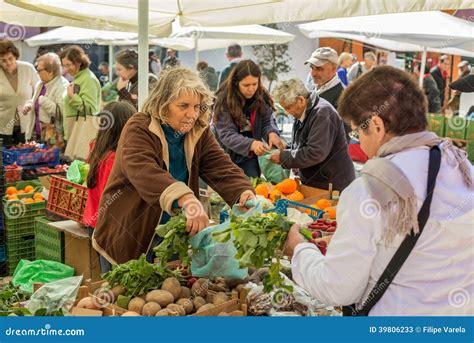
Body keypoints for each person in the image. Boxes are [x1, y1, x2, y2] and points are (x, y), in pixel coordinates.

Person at [285, 66, 473, 316]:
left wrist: (299, 250)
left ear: (376, 125)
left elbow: (336, 288)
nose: (359, 143)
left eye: (356, 132)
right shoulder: (462, 167)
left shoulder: (367, 191)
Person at [92, 67, 255, 266]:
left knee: (168, 290)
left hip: (170, 234)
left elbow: (220, 166)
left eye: (197, 107)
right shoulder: (139, 127)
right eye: (183, 106)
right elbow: (143, 170)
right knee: (126, 292)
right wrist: (186, 198)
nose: (192, 114)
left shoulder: (198, 132)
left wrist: (242, 191)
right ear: (164, 103)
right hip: (129, 231)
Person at [270, 79, 355, 191]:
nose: (286, 112)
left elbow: (315, 152)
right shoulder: (302, 110)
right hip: (317, 181)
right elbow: (304, 142)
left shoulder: (322, 113)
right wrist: (286, 147)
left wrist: (283, 157)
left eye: (288, 108)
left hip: (331, 184)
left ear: (301, 100)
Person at [84, 101, 136, 272]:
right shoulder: (114, 159)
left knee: (111, 277)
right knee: (116, 278)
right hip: (111, 228)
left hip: (94, 223)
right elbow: (114, 198)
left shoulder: (96, 148)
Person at [213, 60, 284, 177]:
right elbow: (227, 134)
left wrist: (272, 133)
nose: (251, 89)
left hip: (251, 156)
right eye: (246, 85)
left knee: (252, 187)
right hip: (226, 155)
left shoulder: (262, 96)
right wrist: (252, 144)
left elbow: (267, 121)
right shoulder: (223, 100)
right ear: (236, 83)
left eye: (254, 84)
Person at [21, 52, 68, 147]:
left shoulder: (62, 85)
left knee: (51, 161)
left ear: (50, 71)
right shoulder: (41, 83)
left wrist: (43, 101)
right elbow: (36, 101)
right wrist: (30, 103)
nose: (37, 73)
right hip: (36, 134)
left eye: (39, 70)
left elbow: (62, 111)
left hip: (52, 138)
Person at [0, 39, 39, 146]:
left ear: (15, 56)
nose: (8, 63)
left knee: (23, 157)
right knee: (3, 158)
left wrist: (31, 102)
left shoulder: (28, 68)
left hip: (25, 123)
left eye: (10, 58)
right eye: (3, 60)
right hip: (2, 126)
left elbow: (39, 90)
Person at [60, 45, 101, 144]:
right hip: (75, 132)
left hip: (81, 135)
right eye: (64, 65)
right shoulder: (79, 78)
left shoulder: (88, 79)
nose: (65, 69)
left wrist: (73, 97)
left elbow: (92, 110)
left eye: (68, 65)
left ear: (78, 62)